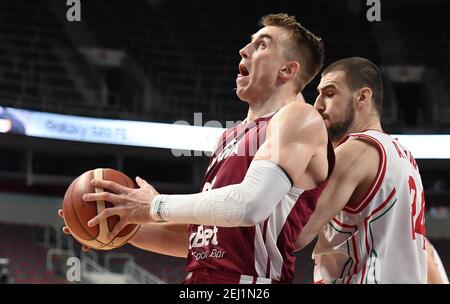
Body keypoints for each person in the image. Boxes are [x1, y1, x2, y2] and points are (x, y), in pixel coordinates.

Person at [59, 13, 335, 284]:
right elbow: (198, 239)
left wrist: (155, 205)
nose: (244, 50)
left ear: (287, 69)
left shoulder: (299, 117)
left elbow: (250, 205)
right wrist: (117, 224)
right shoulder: (230, 137)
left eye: (262, 44)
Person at [296, 57, 428, 283]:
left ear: (362, 97)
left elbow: (296, 233)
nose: (317, 104)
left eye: (329, 93)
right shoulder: (405, 156)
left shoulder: (356, 150)